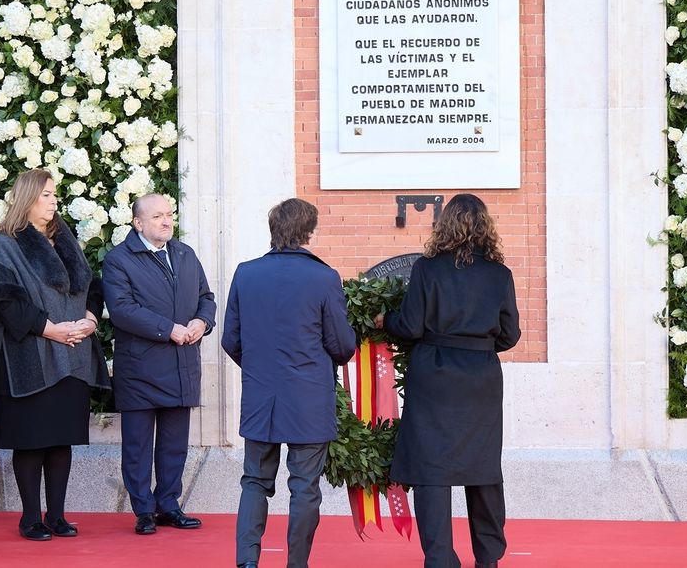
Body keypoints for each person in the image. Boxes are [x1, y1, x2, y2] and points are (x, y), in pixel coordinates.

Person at [0, 169, 110, 541]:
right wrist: (51, 329)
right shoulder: (6, 243)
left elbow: (92, 286)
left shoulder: (65, 239)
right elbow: (2, 302)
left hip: (73, 355)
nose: (53, 201)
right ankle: (30, 517)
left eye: (54, 195)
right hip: (29, 356)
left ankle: (58, 515)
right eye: (47, 195)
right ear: (28, 198)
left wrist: (90, 319)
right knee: (31, 439)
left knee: (61, 438)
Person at [385, 193, 521, 568]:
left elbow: (410, 326)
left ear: (445, 224)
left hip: (434, 377)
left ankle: (441, 558)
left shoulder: (427, 269)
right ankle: (489, 558)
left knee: (432, 468)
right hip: (481, 380)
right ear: (484, 227)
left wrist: (386, 322)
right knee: (483, 469)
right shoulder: (500, 274)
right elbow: (510, 336)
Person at [222, 198, 357, 568]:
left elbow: (230, 339)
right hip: (309, 397)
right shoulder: (323, 277)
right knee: (304, 487)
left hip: (261, 394)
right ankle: (296, 563)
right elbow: (342, 345)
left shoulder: (245, 273)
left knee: (254, 481)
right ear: (308, 232)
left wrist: (260, 368)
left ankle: (247, 561)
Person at [102, 193, 217, 535]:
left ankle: (169, 505)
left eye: (169, 215)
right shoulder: (119, 260)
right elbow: (121, 309)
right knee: (137, 446)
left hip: (181, 366)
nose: (166, 221)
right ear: (138, 223)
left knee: (174, 444)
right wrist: (168, 329)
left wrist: (202, 322)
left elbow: (205, 298)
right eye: (157, 217)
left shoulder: (184, 254)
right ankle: (143, 510)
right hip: (140, 369)